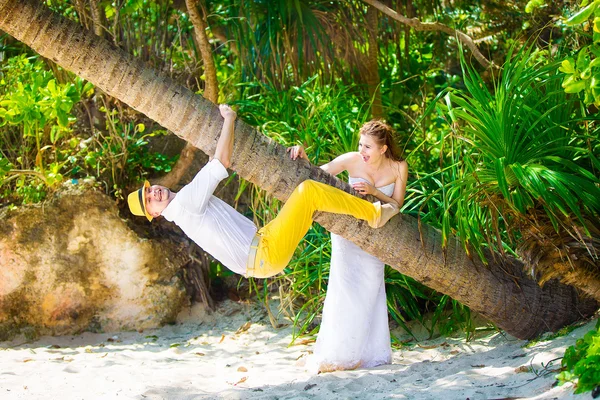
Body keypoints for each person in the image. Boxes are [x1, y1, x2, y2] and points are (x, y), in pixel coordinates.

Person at [127, 105, 400, 279]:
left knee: (311, 196)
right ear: (155, 215)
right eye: (149, 201)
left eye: (150, 191)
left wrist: (305, 164)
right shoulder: (184, 203)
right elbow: (220, 162)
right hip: (263, 254)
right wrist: (229, 119)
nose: (154, 195)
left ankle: (371, 210)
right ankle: (374, 214)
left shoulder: (183, 207)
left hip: (263, 245)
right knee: (308, 192)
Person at [287, 120, 408, 372]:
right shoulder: (352, 160)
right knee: (344, 288)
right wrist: (303, 155)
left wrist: (374, 191)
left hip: (377, 237)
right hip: (347, 233)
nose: (361, 151)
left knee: (371, 291)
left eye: (368, 147)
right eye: (360, 144)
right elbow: (317, 174)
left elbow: (398, 203)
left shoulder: (398, 167)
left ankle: (369, 354)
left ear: (383, 149)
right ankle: (338, 354)